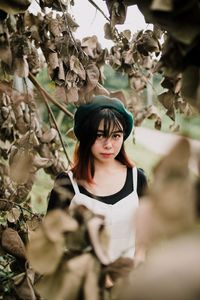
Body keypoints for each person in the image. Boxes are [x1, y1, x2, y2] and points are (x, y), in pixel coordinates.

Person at [47, 95, 147, 263]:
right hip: (82, 282)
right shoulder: (69, 184)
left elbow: (145, 234)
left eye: (116, 136)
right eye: (100, 135)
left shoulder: (138, 179)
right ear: (86, 136)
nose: (108, 145)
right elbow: (50, 238)